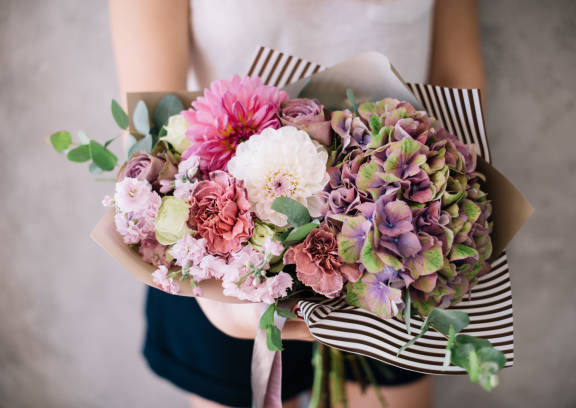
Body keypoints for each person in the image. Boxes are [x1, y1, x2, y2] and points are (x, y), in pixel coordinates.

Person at [109, 1, 485, 407]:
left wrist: (458, 209)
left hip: (392, 244)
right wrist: (218, 293)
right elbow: (150, 127)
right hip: (225, 250)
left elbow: (455, 80)